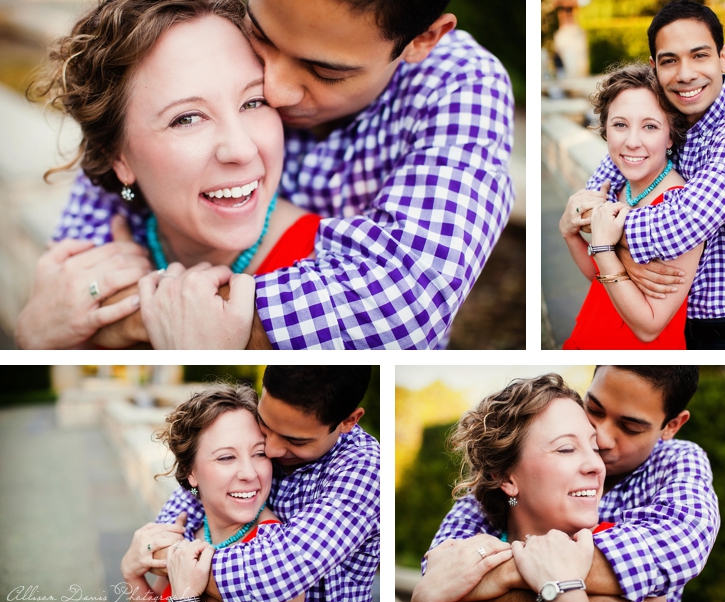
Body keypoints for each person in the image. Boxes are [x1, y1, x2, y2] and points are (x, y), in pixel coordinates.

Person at [22, 0, 515, 350]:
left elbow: (403, 306)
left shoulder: (458, 86)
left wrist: (125, 322)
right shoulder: (204, 25)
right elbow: (72, 283)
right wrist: (44, 330)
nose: (276, 90)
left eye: (325, 71)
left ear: (422, 40)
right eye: (263, 40)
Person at [16, 0, 322, 350]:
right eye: (187, 118)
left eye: (253, 102)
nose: (241, 149)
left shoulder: (318, 269)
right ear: (118, 158)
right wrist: (30, 339)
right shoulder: (93, 265)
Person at [431, 366, 719, 602]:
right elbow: (438, 574)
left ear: (672, 426)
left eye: (630, 427)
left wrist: (512, 572)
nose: (602, 442)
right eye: (594, 409)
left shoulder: (676, 462)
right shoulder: (498, 487)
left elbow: (681, 543)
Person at [585, 1, 725, 349]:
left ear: (723, 58)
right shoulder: (665, 109)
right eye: (670, 60)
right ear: (655, 66)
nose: (685, 74)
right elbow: (596, 190)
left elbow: (680, 225)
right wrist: (595, 221)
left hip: (724, 335)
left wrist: (606, 241)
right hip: (668, 327)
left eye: (699, 55)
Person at [150, 366, 379, 602]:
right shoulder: (257, 448)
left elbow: (277, 574)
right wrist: (164, 553)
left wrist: (182, 572)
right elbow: (188, 501)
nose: (271, 449)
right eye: (265, 426)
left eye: (296, 441)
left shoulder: (365, 470)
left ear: (348, 421)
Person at [410, 374, 606, 602]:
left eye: (596, 448)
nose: (596, 465)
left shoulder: (623, 554)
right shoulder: (464, 562)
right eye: (566, 449)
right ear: (505, 478)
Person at [119, 383, 304, 602]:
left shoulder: (275, 555)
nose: (249, 473)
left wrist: (186, 599)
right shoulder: (187, 527)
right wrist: (131, 574)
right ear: (190, 472)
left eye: (259, 453)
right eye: (226, 457)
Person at [560, 63, 702, 349]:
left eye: (650, 126)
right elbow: (599, 277)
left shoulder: (679, 209)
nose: (632, 142)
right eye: (620, 124)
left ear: (671, 135)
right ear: (605, 129)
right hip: (591, 332)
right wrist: (569, 234)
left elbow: (650, 326)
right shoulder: (617, 189)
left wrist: (604, 249)